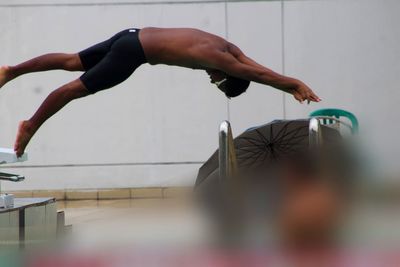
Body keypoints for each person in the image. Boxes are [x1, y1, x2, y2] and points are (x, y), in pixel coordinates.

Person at [0, 27, 321, 157]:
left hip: (129, 34)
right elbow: (255, 73)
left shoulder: (228, 49)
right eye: (219, 81)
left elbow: (249, 63)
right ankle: (31, 125)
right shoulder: (222, 61)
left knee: (72, 61)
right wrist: (292, 84)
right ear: (229, 74)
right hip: (133, 54)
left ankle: (10, 71)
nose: (212, 80)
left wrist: (289, 83)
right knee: (74, 89)